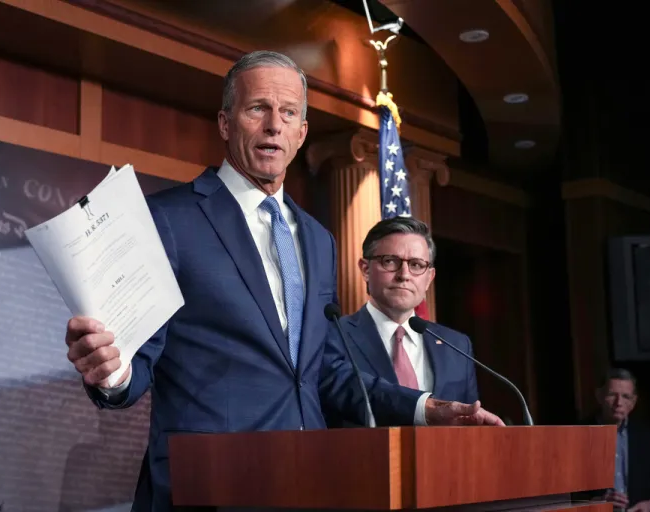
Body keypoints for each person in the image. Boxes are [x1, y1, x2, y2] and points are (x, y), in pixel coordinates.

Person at [64, 50, 503, 512]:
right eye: (258, 108)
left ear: (301, 133)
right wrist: (112, 372)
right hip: (208, 486)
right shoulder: (168, 219)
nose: (274, 124)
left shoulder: (319, 239)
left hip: (307, 481)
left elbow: (327, 372)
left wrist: (423, 408)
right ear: (225, 123)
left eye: (288, 113)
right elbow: (137, 360)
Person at [324, 217, 478, 428]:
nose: (404, 275)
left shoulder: (457, 346)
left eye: (416, 265)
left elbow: (469, 426)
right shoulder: (333, 335)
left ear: (429, 278)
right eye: (390, 261)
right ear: (365, 269)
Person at [580, 368, 650, 512]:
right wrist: (597, 502)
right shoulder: (577, 436)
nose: (619, 402)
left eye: (626, 396)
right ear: (599, 396)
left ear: (634, 402)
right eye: (612, 395)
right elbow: (560, 494)